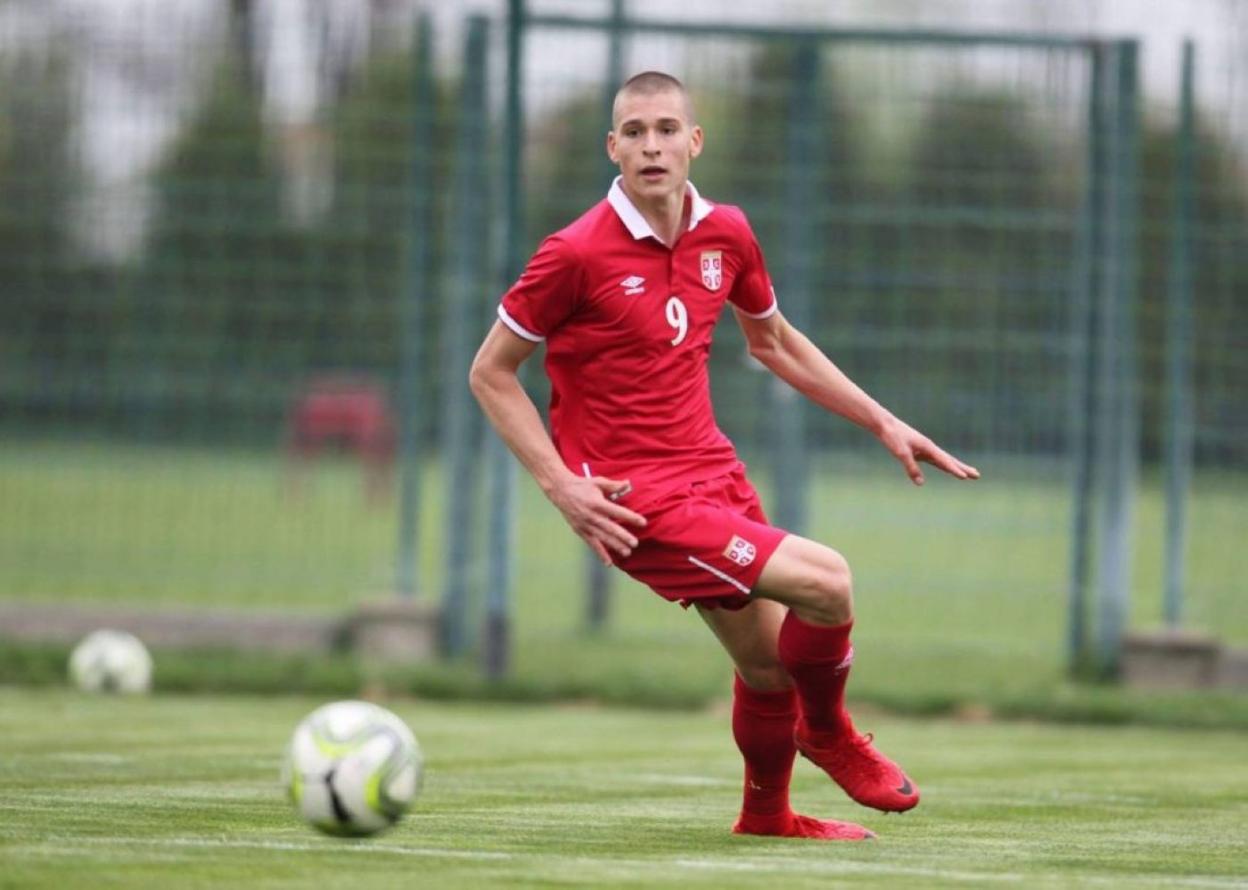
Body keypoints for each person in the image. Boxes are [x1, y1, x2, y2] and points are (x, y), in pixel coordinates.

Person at [469, 71, 980, 842]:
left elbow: (771, 341)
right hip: (639, 501)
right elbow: (490, 372)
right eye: (634, 132)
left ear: (694, 141)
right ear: (612, 148)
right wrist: (561, 489)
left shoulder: (727, 233)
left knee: (770, 666)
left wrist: (883, 421)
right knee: (827, 582)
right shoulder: (573, 253)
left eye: (666, 129)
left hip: (713, 474)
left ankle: (766, 817)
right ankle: (831, 733)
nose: (651, 145)